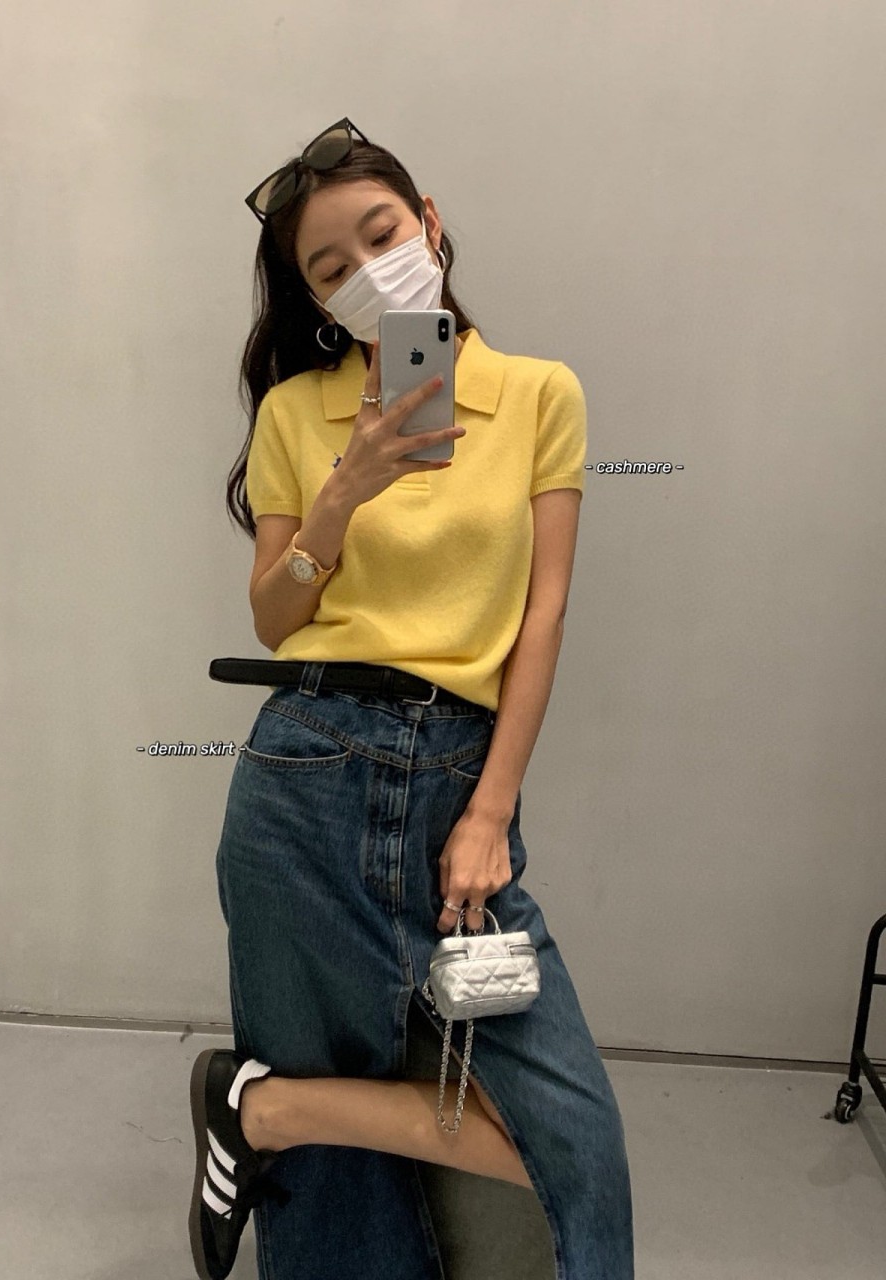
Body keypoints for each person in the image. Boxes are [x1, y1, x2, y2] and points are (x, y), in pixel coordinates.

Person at [187, 118, 634, 1280]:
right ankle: (285, 1122)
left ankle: (262, 1108)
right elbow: (273, 616)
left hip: (458, 784)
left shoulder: (538, 394)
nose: (367, 271)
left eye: (381, 234)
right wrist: (344, 490)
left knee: (569, 1142)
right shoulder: (297, 414)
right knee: (336, 1196)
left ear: (429, 224)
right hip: (306, 769)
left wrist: (491, 809)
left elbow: (543, 616)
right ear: (316, 300)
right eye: (330, 266)